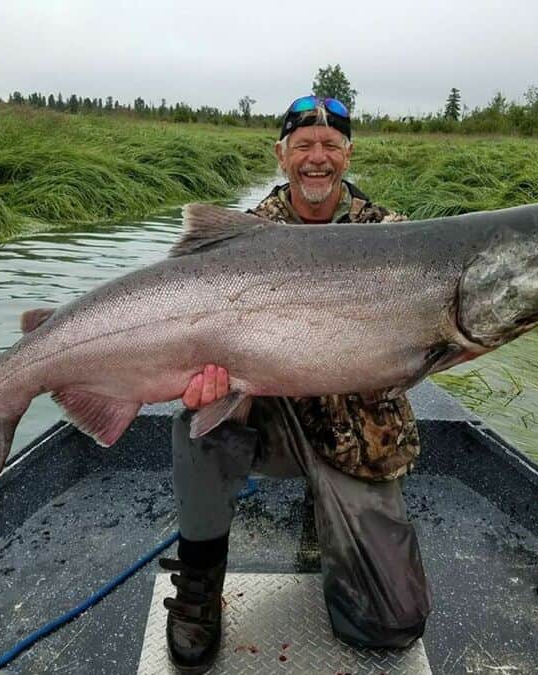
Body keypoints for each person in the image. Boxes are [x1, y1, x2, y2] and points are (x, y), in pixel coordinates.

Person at [159, 96, 431, 673]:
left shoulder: (392, 236)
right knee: (195, 425)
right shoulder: (242, 236)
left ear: (348, 155)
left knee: (392, 623)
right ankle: (200, 584)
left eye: (331, 145)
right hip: (265, 425)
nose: (317, 158)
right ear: (281, 155)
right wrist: (209, 382)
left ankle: (327, 507)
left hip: (357, 438)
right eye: (304, 144)